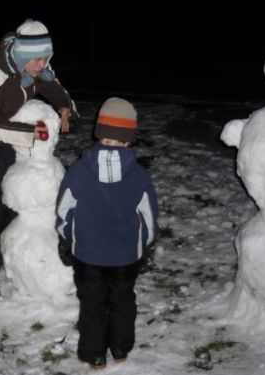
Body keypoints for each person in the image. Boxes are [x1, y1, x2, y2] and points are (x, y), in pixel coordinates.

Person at [0, 19, 73, 301]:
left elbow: (53, 84)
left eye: (47, 58)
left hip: (12, 138)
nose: (43, 65)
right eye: (38, 60)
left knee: (13, 206)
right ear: (21, 55)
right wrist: (30, 133)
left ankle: (12, 262)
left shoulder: (36, 65)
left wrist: (64, 106)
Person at [55, 97, 160, 370]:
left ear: (99, 133)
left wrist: (66, 238)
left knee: (92, 303)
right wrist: (146, 245)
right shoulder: (139, 176)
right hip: (126, 257)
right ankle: (121, 349)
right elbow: (149, 217)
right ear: (128, 139)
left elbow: (65, 209)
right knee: (123, 300)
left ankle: (94, 355)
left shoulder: (78, 172)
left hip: (88, 255)